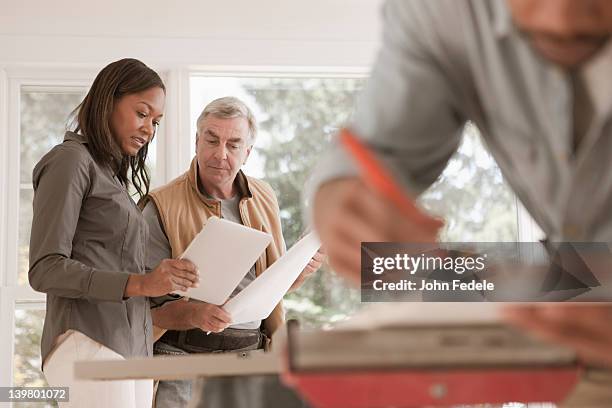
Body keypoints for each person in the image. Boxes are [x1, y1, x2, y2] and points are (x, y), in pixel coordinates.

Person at [307, 0, 612, 405]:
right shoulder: (439, 11)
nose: (561, 19)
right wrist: (341, 195)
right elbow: (379, 151)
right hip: (583, 348)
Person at [29, 58, 200, 408]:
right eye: (142, 113)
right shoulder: (70, 161)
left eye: (156, 121)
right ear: (108, 100)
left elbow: (117, 265)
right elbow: (44, 268)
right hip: (89, 339)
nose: (149, 129)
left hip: (132, 348)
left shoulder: (113, 177)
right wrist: (140, 283)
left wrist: (166, 283)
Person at [140, 96, 324, 407]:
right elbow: (143, 310)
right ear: (197, 141)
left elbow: (270, 288)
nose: (220, 154)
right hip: (185, 362)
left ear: (247, 152)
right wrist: (195, 313)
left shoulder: (264, 195)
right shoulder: (159, 206)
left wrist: (300, 270)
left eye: (233, 144)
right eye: (211, 140)